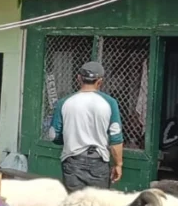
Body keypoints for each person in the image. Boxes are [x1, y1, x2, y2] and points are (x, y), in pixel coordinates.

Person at [50, 60, 124, 191]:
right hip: (99, 163)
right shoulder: (110, 103)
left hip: (72, 161)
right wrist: (118, 164)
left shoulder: (64, 102)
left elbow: (54, 135)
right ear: (100, 81)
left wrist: (67, 139)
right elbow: (115, 138)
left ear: (78, 78)